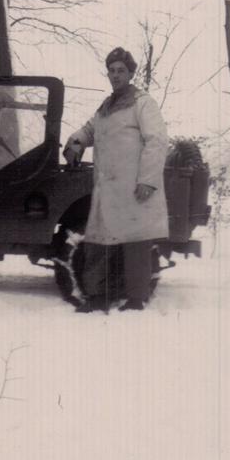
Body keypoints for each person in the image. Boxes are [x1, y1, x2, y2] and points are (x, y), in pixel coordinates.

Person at [63, 47, 169, 312]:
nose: (115, 75)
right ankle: (97, 296)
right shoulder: (105, 108)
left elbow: (157, 141)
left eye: (121, 70)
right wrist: (74, 144)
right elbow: (88, 130)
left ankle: (136, 299)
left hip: (134, 189)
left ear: (131, 73)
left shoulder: (143, 103)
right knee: (98, 242)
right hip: (107, 190)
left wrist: (147, 181)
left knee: (135, 243)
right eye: (111, 70)